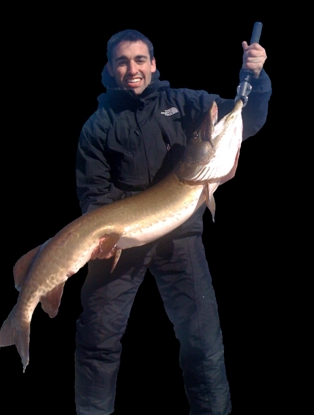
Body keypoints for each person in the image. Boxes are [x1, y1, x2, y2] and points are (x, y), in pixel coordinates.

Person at [74, 29, 272, 415]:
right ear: (111, 69)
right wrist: (109, 238)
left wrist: (257, 78)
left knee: (203, 341)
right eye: (122, 61)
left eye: (140, 60)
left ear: (153, 64)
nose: (133, 69)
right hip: (120, 241)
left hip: (179, 238)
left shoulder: (183, 102)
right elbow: (93, 195)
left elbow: (243, 119)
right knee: (97, 341)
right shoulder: (97, 126)